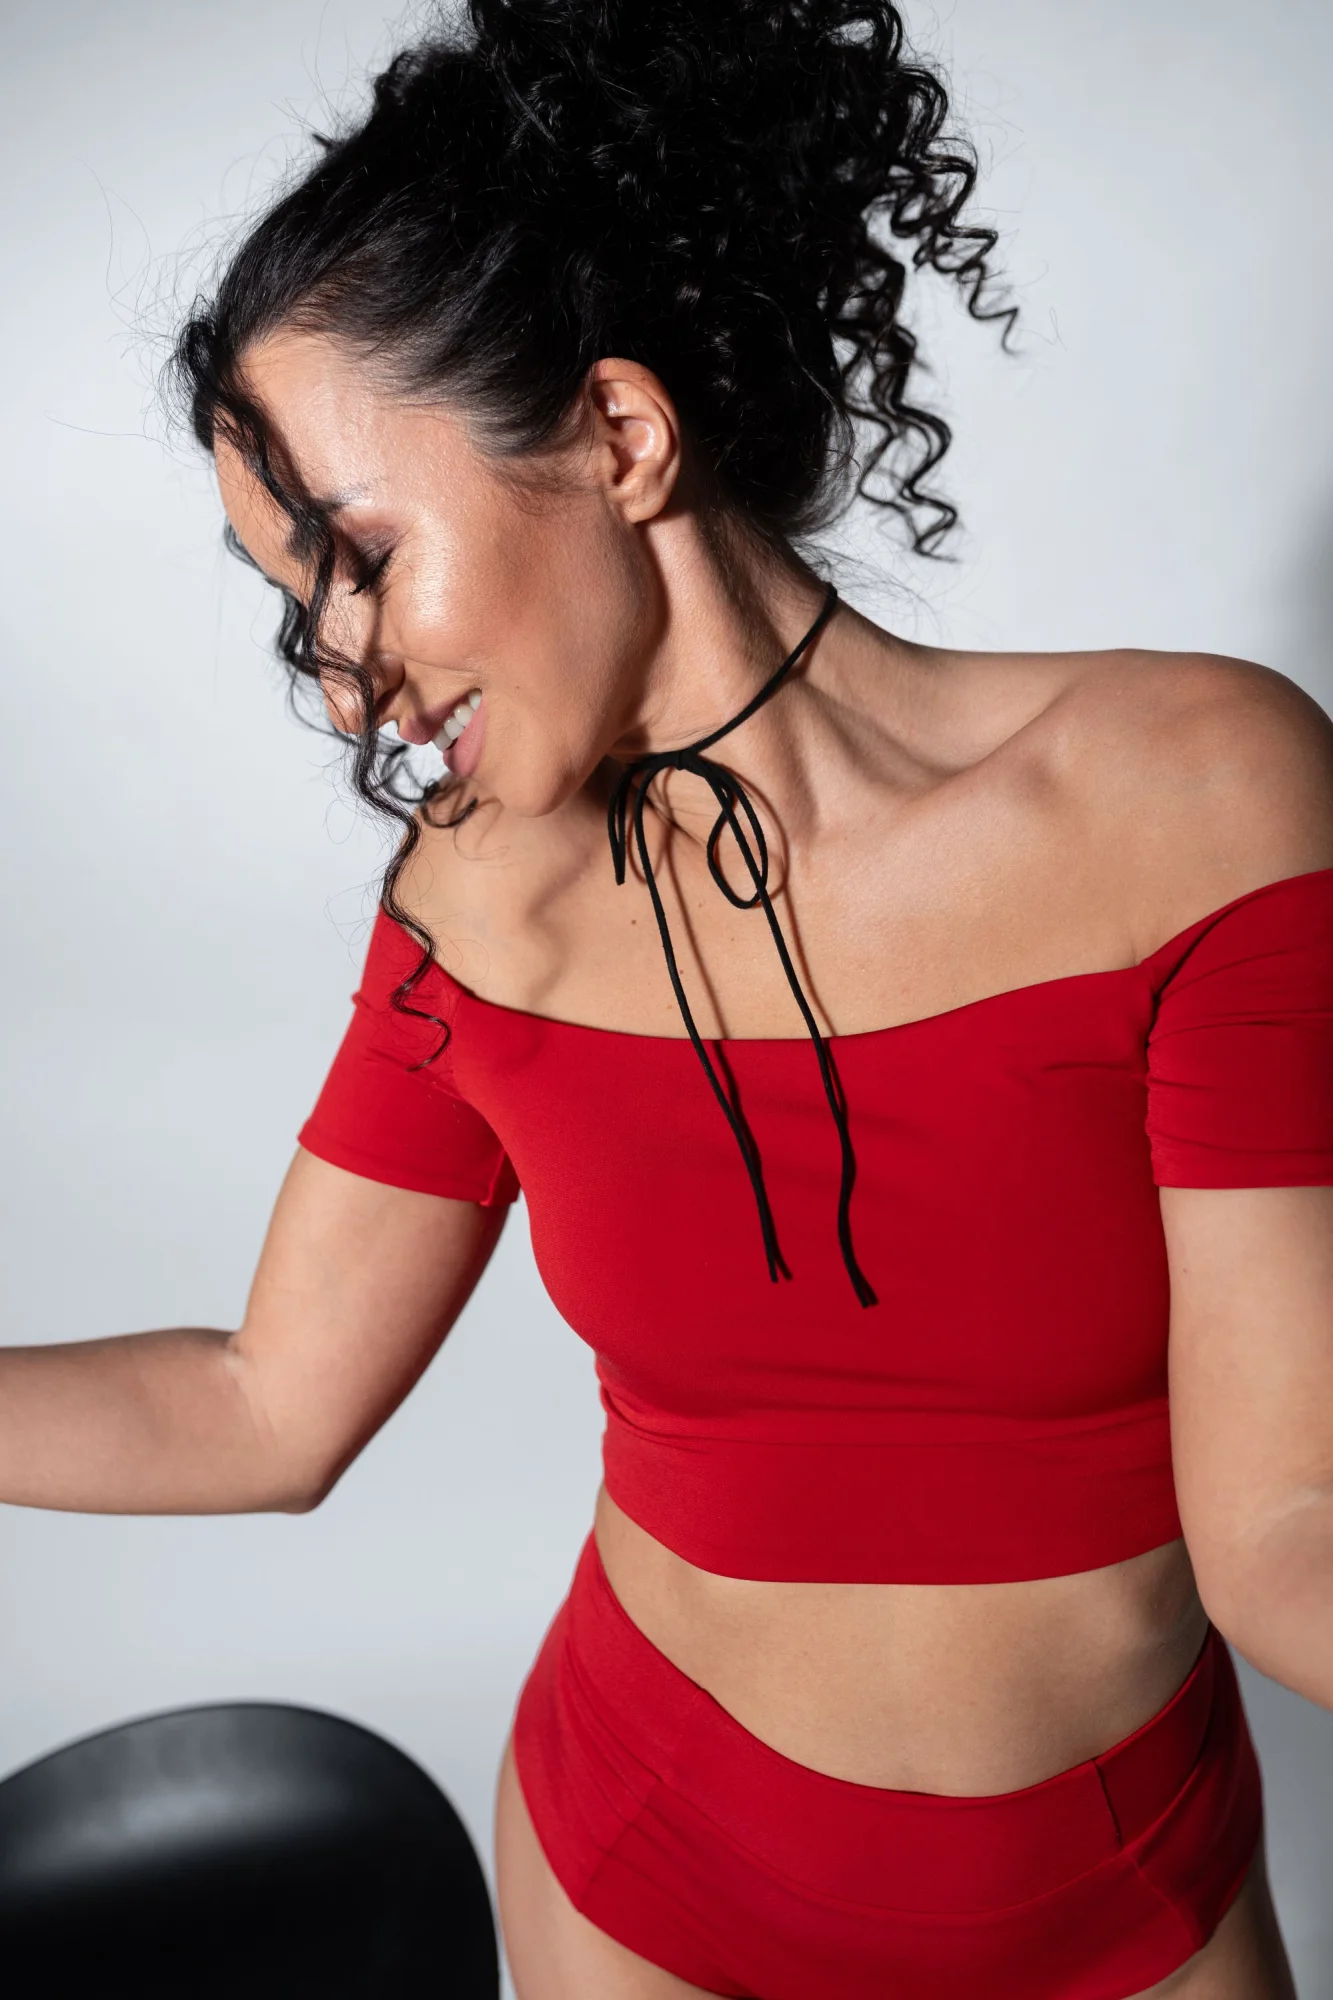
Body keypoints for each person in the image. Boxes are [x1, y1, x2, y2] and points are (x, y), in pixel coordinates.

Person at [10, 2, 1332, 1993]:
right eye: (296, 605)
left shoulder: (1197, 801)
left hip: (1126, 1910)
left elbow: (1291, 1521)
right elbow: (261, 1403)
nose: (345, 678)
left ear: (622, 438)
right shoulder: (477, 905)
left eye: (360, 558)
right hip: (644, 1889)